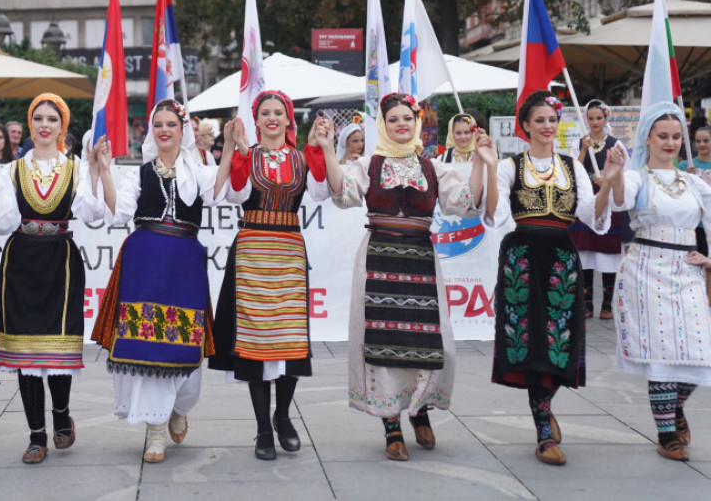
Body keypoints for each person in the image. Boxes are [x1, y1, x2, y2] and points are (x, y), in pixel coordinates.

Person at [331, 94, 497, 460]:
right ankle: (391, 425)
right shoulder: (369, 165)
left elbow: (466, 203)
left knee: (432, 342)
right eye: (393, 119)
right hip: (378, 258)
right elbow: (343, 196)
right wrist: (329, 151)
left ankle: (419, 409)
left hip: (420, 259)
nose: (401, 124)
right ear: (383, 125)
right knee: (382, 342)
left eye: (407, 118)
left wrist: (483, 164)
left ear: (417, 122)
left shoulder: (434, 167)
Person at [483, 90, 619, 466]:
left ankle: (544, 405)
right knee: (529, 342)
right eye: (539, 120)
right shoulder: (511, 165)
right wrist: (490, 167)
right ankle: (543, 428)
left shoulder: (572, 166)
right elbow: (492, 214)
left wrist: (607, 181)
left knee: (562, 338)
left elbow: (594, 217)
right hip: (522, 258)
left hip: (561, 257)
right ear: (525, 126)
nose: (547, 126)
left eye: (552, 120)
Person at [88, 99, 227, 464]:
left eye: (171, 124)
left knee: (184, 343)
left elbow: (221, 190)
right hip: (144, 260)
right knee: (146, 345)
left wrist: (229, 149)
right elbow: (120, 214)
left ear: (184, 132)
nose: (164, 129)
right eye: (158, 124)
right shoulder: (140, 172)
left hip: (184, 262)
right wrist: (104, 171)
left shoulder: (198, 171)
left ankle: (178, 407)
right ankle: (154, 430)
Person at [209, 90, 342, 461]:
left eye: (278, 112)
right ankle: (263, 427)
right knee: (254, 340)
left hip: (287, 252)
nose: (272, 118)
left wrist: (324, 148)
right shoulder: (247, 158)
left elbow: (325, 191)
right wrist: (235, 150)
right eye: (264, 112)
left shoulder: (302, 158)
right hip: (252, 251)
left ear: (288, 120)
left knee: (289, 336)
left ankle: (283, 415)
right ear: (256, 120)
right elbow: (232, 196)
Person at [0, 94, 94, 464]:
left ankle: (61, 415)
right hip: (21, 258)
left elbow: (94, 214)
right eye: (38, 118)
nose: (44, 125)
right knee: (26, 352)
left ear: (63, 127)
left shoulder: (75, 168)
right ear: (29, 125)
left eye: (52, 119)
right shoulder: (12, 170)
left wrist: (99, 171)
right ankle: (36, 436)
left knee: (56, 346)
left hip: (60, 258)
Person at [610, 102, 711, 462]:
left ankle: (674, 408)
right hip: (646, 269)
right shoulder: (638, 177)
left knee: (700, 353)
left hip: (687, 270)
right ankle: (666, 433)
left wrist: (709, 259)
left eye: (675, 137)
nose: (670, 143)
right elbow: (619, 202)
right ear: (648, 138)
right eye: (662, 136)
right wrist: (615, 173)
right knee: (662, 353)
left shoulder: (695, 182)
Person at [571, 99, 628, 320]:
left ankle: (607, 304)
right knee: (584, 250)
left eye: (599, 118)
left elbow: (625, 170)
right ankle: (586, 304)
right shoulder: (580, 143)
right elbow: (573, 168)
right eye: (591, 118)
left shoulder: (616, 144)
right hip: (586, 199)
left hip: (609, 200)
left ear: (606, 119)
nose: (595, 122)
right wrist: (584, 149)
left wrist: (609, 177)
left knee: (608, 251)